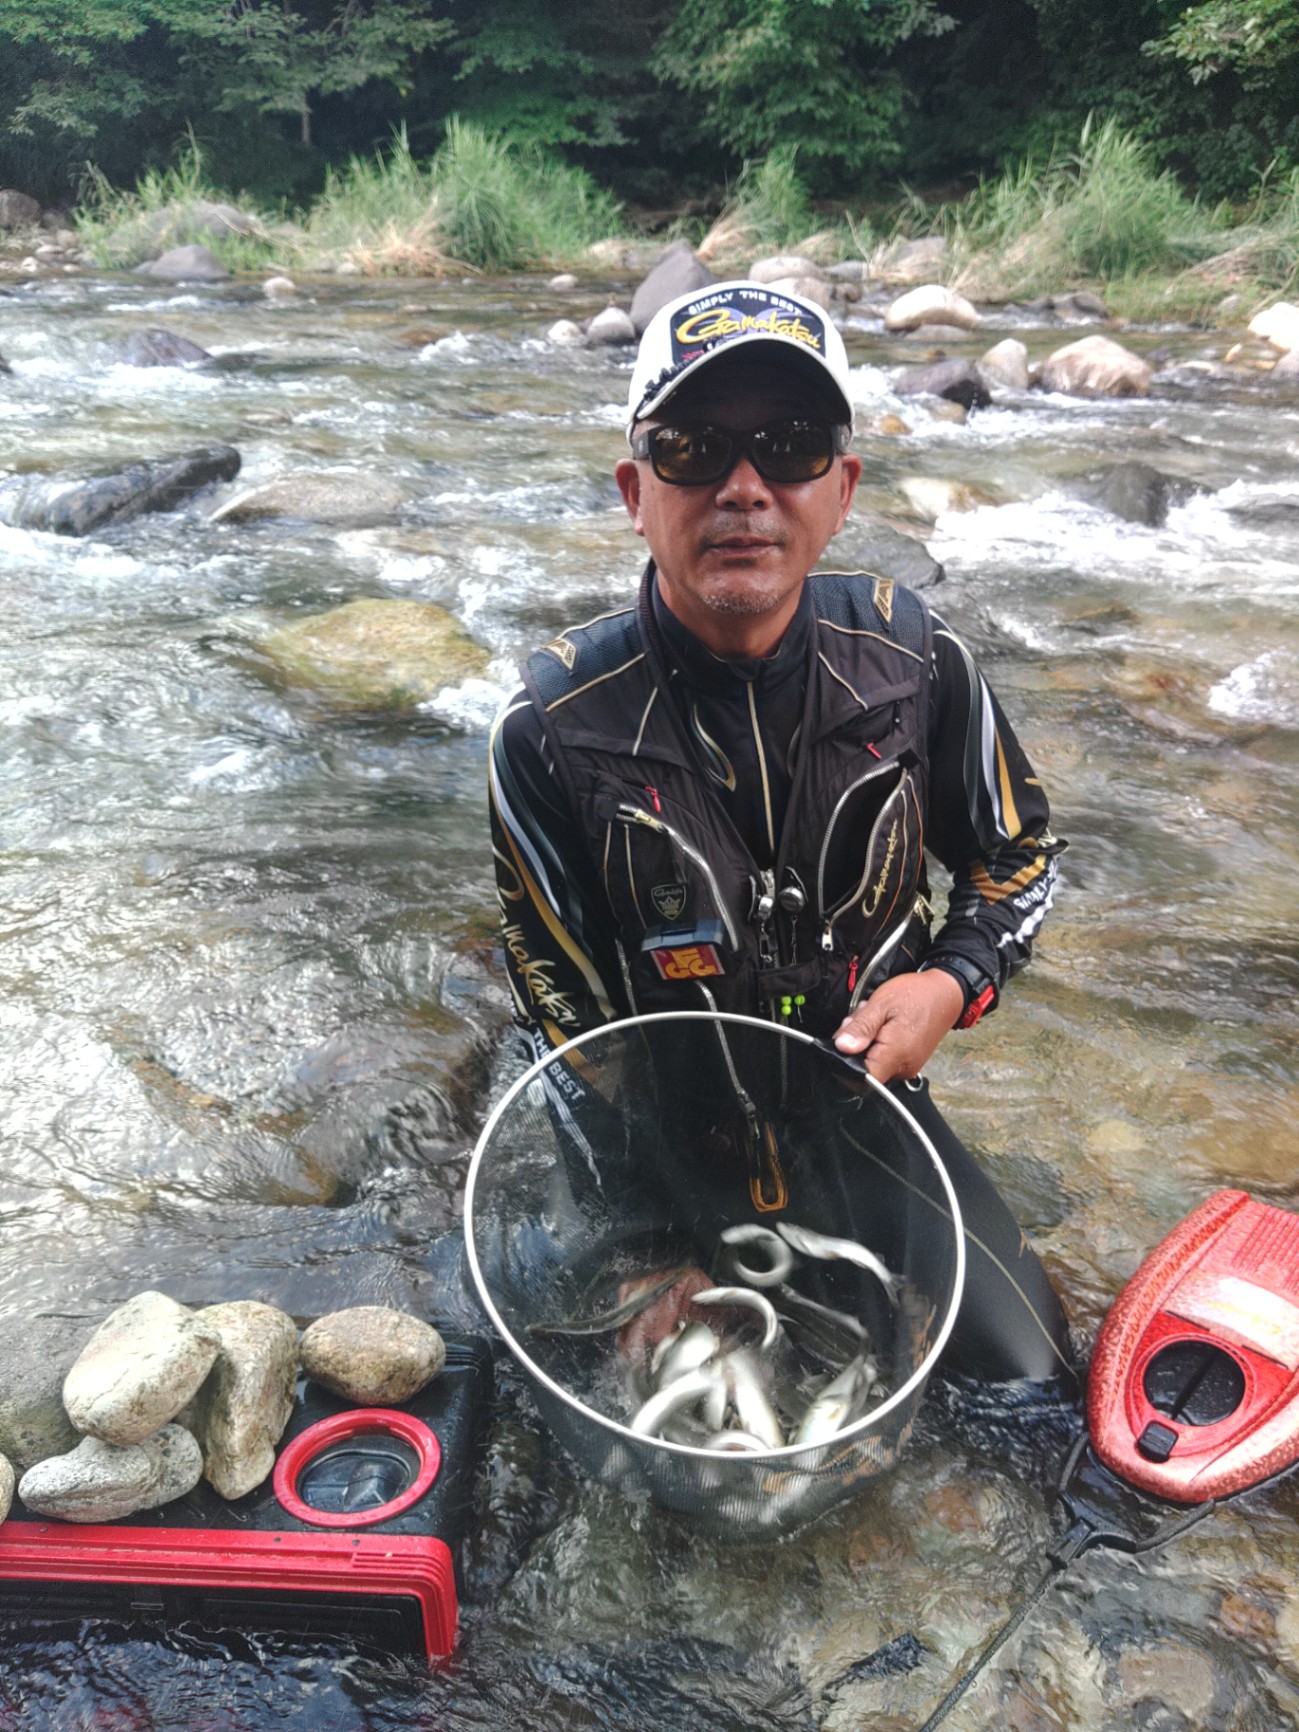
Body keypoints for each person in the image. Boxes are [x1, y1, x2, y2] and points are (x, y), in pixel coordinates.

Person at [489, 279, 1073, 1390]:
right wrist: (644, 1253)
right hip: (663, 1151)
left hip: (865, 1123)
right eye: (694, 448)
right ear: (635, 490)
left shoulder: (917, 662)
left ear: (842, 489)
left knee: (1031, 1383)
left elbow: (1020, 856)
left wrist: (952, 985)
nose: (744, 488)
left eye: (792, 446)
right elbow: (563, 1025)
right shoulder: (549, 728)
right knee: (668, 1446)